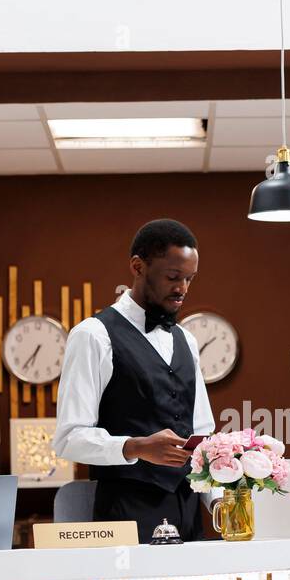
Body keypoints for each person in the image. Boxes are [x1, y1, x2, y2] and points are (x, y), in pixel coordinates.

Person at [52, 219, 215, 543]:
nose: (182, 288)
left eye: (189, 279)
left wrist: (220, 499)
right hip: (123, 516)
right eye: (173, 277)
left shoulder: (187, 340)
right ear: (138, 267)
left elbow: (202, 434)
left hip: (188, 512)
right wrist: (135, 446)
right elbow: (68, 438)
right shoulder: (92, 335)